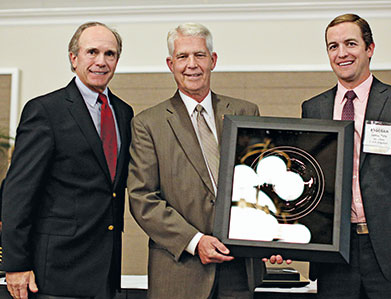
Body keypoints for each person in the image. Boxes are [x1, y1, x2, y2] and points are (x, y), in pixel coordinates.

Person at [300, 13, 391, 298]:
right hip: (335, 254)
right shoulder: (314, 109)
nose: (342, 53)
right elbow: (306, 184)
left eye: (350, 43)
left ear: (370, 48)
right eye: (333, 46)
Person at [127, 23, 264, 298]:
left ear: (213, 60)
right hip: (180, 273)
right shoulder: (148, 124)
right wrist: (195, 241)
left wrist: (276, 238)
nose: (192, 65)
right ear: (170, 64)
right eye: (182, 56)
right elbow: (143, 199)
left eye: (200, 55)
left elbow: (261, 186)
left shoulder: (246, 112)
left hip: (238, 272)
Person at [1, 22, 133, 299]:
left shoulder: (123, 112)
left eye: (110, 54)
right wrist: (15, 264)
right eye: (92, 52)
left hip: (106, 272)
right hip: (55, 273)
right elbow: (17, 193)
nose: (101, 61)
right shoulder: (45, 111)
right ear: (73, 58)